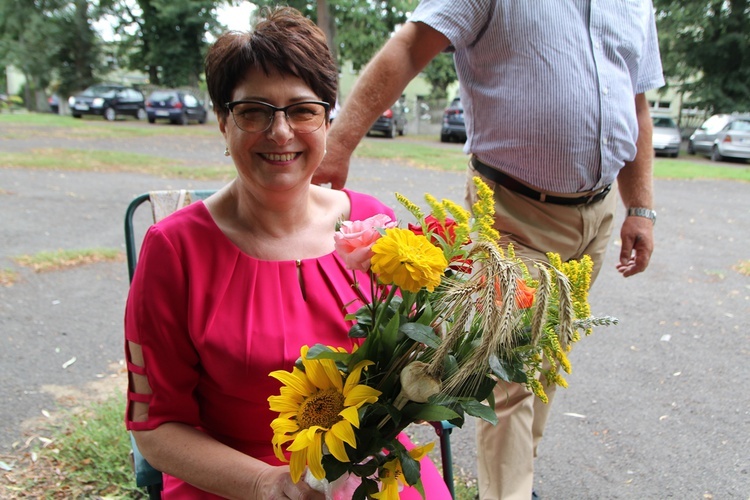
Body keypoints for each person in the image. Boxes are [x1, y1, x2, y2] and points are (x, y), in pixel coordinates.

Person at [314, 1, 664, 499]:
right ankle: (510, 492)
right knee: (511, 376)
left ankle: (518, 480)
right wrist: (341, 141)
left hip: (600, 213)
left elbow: (636, 104)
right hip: (512, 215)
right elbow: (414, 45)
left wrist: (641, 207)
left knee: (547, 358)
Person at [124, 7, 449, 499]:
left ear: (326, 118)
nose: (280, 133)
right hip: (230, 481)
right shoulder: (174, 249)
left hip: (368, 474)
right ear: (221, 119)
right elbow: (156, 426)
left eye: (302, 110)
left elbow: (419, 361)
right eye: (254, 110)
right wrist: (268, 483)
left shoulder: (376, 229)